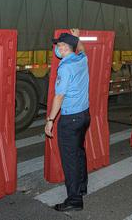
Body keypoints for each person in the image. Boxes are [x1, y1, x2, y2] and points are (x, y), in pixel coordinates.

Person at [44, 29, 90, 212]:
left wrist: (50, 120)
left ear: (65, 47)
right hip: (84, 115)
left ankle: (74, 199)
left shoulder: (65, 66)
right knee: (79, 152)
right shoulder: (82, 59)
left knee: (70, 159)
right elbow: (83, 48)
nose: (57, 48)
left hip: (70, 119)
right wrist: (77, 37)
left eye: (60, 45)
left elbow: (59, 96)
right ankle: (82, 187)